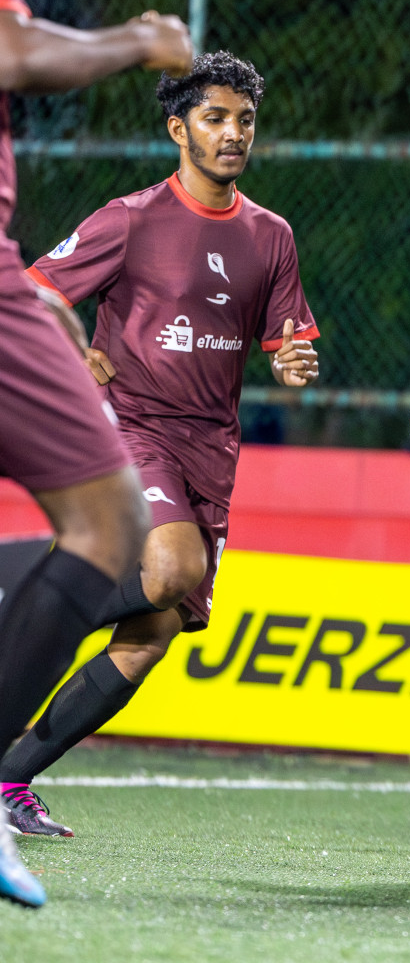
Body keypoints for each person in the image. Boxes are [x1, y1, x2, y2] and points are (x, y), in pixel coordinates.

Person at [1, 52, 319, 842]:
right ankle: (20, 606)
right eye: (215, 118)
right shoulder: (132, 218)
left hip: (212, 449)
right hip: (130, 428)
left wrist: (290, 361)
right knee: (174, 570)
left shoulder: (270, 236)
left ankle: (10, 778)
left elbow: (285, 344)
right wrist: (76, 353)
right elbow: (34, 293)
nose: (233, 133)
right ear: (178, 129)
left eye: (244, 119)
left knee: (152, 634)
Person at [0, 0, 192, 909]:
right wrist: (139, 39)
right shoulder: (133, 215)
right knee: (118, 541)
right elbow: (13, 50)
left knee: (149, 592)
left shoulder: (268, 233)